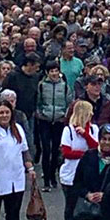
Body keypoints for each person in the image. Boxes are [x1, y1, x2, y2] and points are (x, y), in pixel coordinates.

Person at [59, 101, 99, 220]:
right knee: (71, 207)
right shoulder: (68, 131)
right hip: (70, 174)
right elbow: (67, 152)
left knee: (87, 207)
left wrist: (86, 135)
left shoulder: (94, 129)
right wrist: (84, 155)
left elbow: (96, 147)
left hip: (87, 174)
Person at [38, 61, 72, 190]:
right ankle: (46, 180)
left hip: (59, 120)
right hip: (45, 120)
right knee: (46, 149)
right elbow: (38, 101)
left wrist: (64, 115)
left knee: (55, 149)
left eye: (56, 71)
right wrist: (40, 114)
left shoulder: (64, 86)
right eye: (51, 71)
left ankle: (53, 176)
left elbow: (69, 101)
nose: (54, 73)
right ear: (47, 72)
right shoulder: (42, 85)